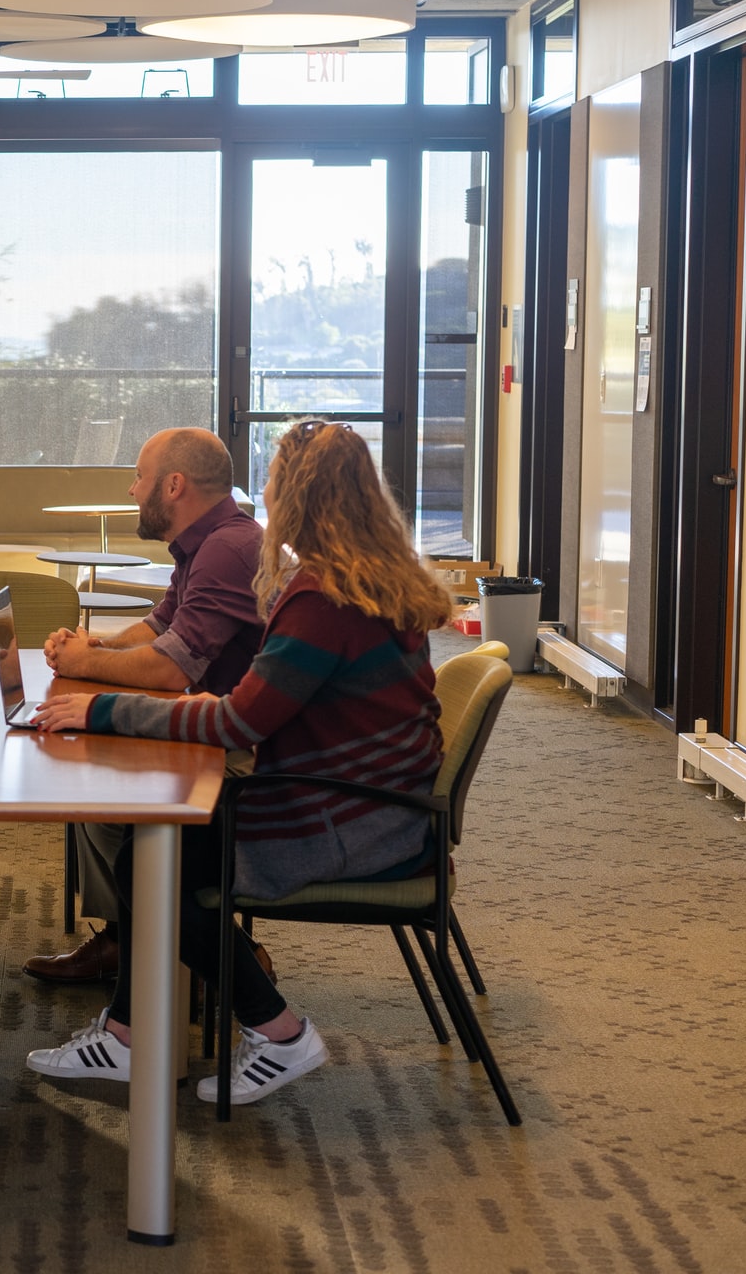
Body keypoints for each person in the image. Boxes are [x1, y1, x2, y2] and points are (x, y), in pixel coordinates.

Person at [26, 419, 454, 1106]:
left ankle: (280, 1034)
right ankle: (129, 1035)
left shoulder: (322, 598)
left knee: (154, 862)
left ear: (296, 499)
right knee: (154, 848)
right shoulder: (369, 578)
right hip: (374, 802)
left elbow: (235, 720)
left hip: (351, 821)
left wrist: (99, 709)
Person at [24, 427, 265, 986]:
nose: (133, 490)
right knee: (93, 755)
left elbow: (169, 668)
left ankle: (163, 938)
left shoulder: (226, 550)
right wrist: (96, 647)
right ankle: (125, 936)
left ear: (174, 485)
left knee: (99, 774)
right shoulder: (208, 543)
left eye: (139, 477)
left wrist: (83, 664)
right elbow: (159, 627)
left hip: (251, 755)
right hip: (227, 726)